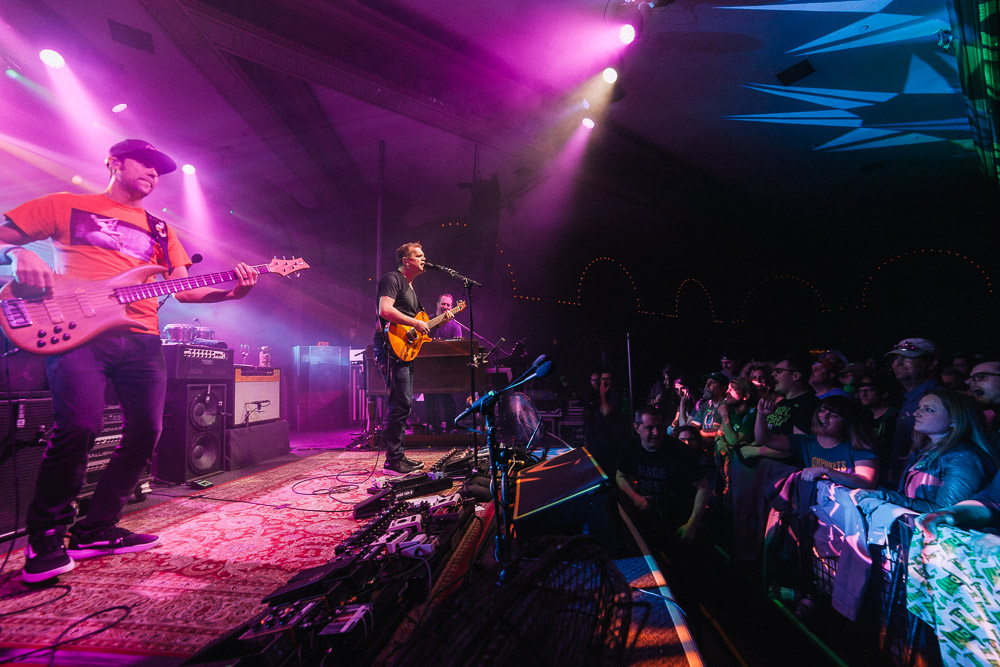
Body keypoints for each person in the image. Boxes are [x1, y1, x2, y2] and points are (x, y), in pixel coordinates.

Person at [1, 139, 259, 584]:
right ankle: (45, 537)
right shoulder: (68, 204)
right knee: (79, 426)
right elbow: (5, 235)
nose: (154, 173)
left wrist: (233, 292)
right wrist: (18, 253)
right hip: (76, 331)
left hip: (141, 338)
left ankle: (96, 528)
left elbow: (186, 290)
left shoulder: (161, 230)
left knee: (146, 433)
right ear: (114, 162)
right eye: (146, 163)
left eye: (160, 170)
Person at [374, 242, 445, 475]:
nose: (424, 259)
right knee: (399, 403)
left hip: (403, 349)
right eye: (419, 255)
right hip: (390, 348)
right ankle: (393, 462)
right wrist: (415, 322)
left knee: (404, 404)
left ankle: (399, 457)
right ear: (406, 261)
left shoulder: (410, 287)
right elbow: (385, 310)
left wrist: (434, 323)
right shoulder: (392, 278)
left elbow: (414, 327)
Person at [616, 406, 711, 547]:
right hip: (648, 519)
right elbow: (619, 476)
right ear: (636, 428)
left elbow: (703, 487)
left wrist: (691, 524)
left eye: (659, 427)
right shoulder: (630, 448)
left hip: (678, 521)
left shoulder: (679, 450)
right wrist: (635, 497)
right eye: (650, 428)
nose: (656, 433)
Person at [741, 395, 879, 489]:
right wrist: (762, 415)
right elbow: (764, 439)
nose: (823, 416)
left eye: (833, 415)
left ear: (847, 423)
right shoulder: (806, 443)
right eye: (822, 410)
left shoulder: (858, 446)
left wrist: (826, 471)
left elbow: (867, 482)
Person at [885, 337, 943, 486]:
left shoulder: (938, 397)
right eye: (896, 358)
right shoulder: (907, 397)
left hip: (925, 482)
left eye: (908, 357)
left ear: (931, 363)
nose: (898, 362)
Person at [424, 293, 462, 433]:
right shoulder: (426, 320)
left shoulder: (455, 325)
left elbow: (458, 348)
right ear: (437, 304)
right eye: (443, 303)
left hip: (447, 369)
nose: (445, 307)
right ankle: (434, 428)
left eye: (448, 305)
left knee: (449, 399)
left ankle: (451, 427)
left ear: (452, 307)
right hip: (428, 367)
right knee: (430, 399)